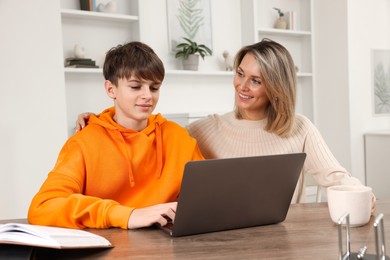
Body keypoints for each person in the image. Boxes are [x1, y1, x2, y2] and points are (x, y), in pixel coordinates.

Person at [75, 39, 375, 210]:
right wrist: (102, 121)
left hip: (283, 240)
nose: (241, 86)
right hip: (222, 243)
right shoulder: (203, 130)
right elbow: (146, 137)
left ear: (276, 87)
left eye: (255, 80)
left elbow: (337, 179)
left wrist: (363, 195)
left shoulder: (300, 129)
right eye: (240, 73)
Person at [28, 41, 204, 230]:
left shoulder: (177, 136)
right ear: (111, 89)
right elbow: (43, 206)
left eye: (154, 88)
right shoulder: (84, 142)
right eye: (136, 87)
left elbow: (208, 193)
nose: (148, 96)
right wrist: (124, 215)